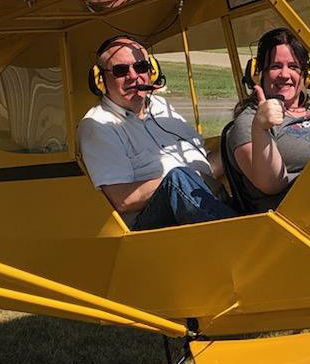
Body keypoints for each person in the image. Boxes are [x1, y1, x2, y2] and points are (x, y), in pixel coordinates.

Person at [77, 35, 237, 230]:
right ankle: (240, 233)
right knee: (177, 177)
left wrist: (240, 140)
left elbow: (206, 164)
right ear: (100, 79)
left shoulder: (162, 106)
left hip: (205, 202)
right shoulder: (98, 124)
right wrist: (186, 178)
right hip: (151, 226)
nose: (134, 76)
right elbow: (122, 199)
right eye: (121, 70)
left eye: (141, 67)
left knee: (238, 139)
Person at [229, 28, 310, 210]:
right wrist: (260, 128)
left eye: (293, 66)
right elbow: (271, 185)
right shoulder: (248, 121)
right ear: (258, 73)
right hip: (300, 216)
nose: (285, 75)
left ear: (307, 74)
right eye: (275, 66)